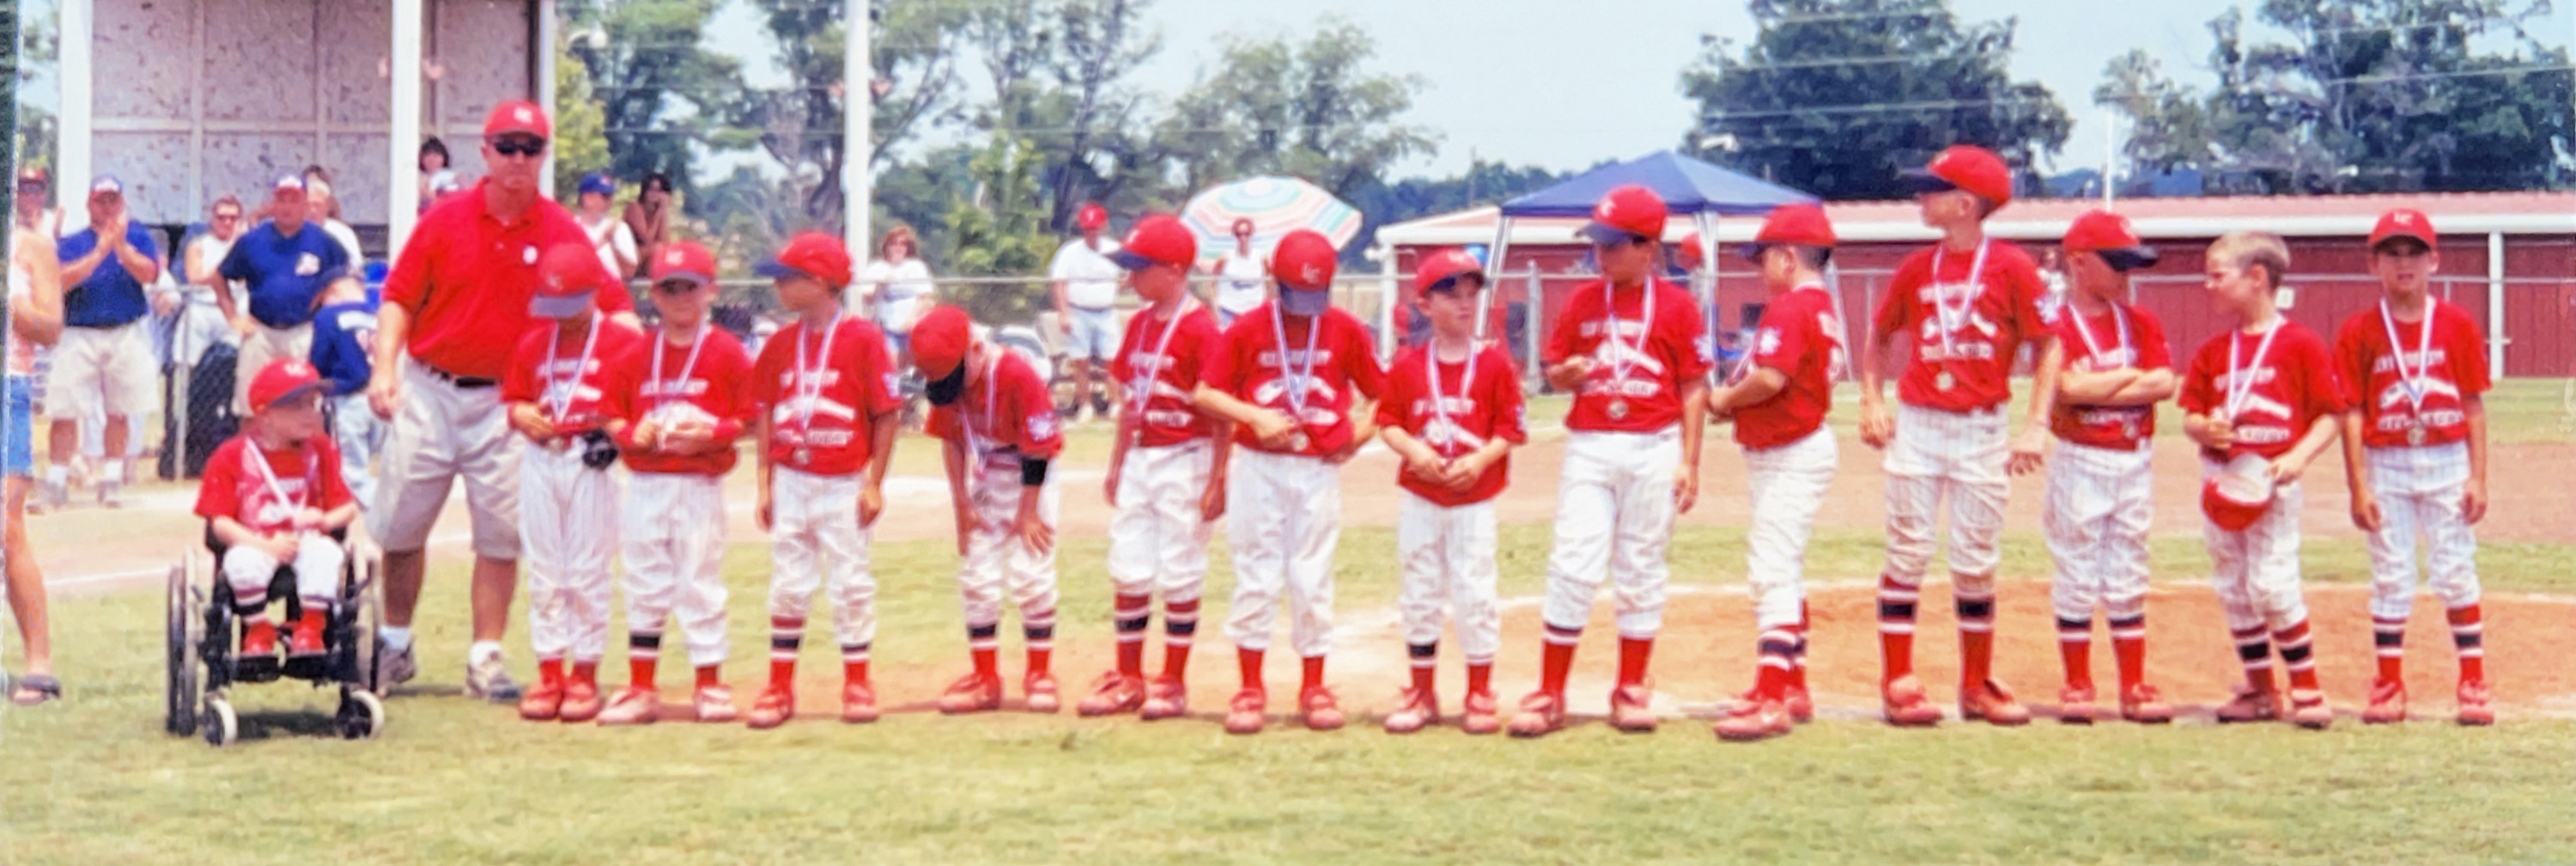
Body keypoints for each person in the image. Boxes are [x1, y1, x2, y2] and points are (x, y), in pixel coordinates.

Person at [367, 101, 638, 701]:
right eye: (507, 145)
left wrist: (623, 366)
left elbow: (616, 306)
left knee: (501, 536)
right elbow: (400, 297)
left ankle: (484, 658)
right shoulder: (445, 219)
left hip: (511, 402)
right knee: (403, 528)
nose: (518, 158)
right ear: (485, 151)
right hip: (432, 387)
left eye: (531, 148)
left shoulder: (561, 229)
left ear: (544, 157)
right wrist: (386, 367)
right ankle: (393, 644)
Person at [1858, 145, 2057, 728]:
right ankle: (1898, 679)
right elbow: (1880, 336)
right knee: (1909, 550)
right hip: (1919, 423)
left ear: (1965, 204)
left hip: (1982, 427)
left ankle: (1976, 683)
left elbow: (2049, 345)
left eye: (1933, 189)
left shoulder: (2014, 267)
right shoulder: (1916, 268)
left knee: (1975, 560)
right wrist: (1872, 399)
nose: (1921, 197)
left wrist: (2036, 425)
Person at [1510, 185, 1711, 739]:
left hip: (1653, 442)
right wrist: (1563, 376)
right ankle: (1551, 691)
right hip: (1592, 443)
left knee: (1641, 565)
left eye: (1615, 244)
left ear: (1648, 249)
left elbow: (1694, 385)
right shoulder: (1582, 301)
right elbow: (1554, 370)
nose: (1602, 255)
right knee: (1573, 560)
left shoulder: (1676, 305)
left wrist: (1690, 461)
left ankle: (1630, 688)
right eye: (1597, 244)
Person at [1193, 229, 1385, 735]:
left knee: (1311, 575)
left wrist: (1358, 437)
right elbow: (1207, 392)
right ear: (1275, 283)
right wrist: (1253, 417)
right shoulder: (1249, 327)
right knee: (1256, 573)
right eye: (1297, 295)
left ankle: (1314, 685)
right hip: (1260, 464)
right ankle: (1250, 687)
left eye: (1315, 296)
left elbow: (1384, 398)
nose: (1307, 307)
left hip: (1317, 468)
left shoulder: (1344, 329)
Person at [2333, 209, 2494, 726]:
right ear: (2374, 264)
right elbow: (2352, 412)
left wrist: (2479, 476)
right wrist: (2358, 486)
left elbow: (2472, 403)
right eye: (2392, 254)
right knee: (2392, 571)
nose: (2404, 265)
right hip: (2388, 460)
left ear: (2434, 261)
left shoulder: (2457, 323)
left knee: (2454, 567)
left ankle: (2472, 681)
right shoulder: (2359, 330)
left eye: (2414, 254)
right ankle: (2389, 683)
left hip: (2446, 456)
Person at [2178, 230, 2345, 729]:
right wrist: (2203, 428)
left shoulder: (2299, 344)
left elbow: (2331, 415)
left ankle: (2307, 686)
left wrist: (2299, 456)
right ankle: (2259, 690)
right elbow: (2190, 414)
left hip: (2273, 480)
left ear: (2256, 278)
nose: (2207, 285)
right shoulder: (2214, 351)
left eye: (2217, 274)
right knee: (2232, 584)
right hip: (2224, 479)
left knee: (2271, 585)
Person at [744, 233, 902, 729]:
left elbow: (887, 414)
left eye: (787, 278)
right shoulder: (780, 342)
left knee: (851, 580)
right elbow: (766, 413)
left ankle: (857, 681)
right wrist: (765, 482)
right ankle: (779, 685)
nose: (777, 286)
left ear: (818, 283)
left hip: (842, 480)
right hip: (793, 475)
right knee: (788, 582)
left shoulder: (864, 339)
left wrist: (874, 482)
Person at [594, 241, 754, 726]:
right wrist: (626, 433)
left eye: (691, 288)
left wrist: (712, 433)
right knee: (644, 580)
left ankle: (710, 683)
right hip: (646, 483)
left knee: (699, 580)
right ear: (654, 295)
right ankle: (641, 685)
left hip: (698, 485)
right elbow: (610, 411)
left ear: (711, 291)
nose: (681, 298)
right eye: (670, 289)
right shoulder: (636, 351)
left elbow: (749, 417)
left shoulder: (726, 352)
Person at [1078, 214, 1227, 720]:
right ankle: (1129, 677)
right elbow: (1129, 399)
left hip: (1186, 455)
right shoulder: (1139, 323)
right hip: (1142, 454)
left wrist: (1218, 479)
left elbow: (1222, 414)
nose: (1131, 277)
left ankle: (1173, 681)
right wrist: (1118, 464)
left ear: (1176, 270)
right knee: (1130, 563)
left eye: (1140, 268)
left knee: (1181, 569)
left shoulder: (1202, 328)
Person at [1704, 204, 1844, 742]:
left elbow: (1770, 378)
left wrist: (1724, 400)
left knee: (1771, 570)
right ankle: (1790, 685)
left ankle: (1770, 698)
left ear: (1789, 258)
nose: (1760, 270)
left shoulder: (1791, 308)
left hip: (1792, 449)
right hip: (1795, 445)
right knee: (1784, 567)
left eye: (1765, 258)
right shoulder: (1821, 306)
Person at [2034, 210, 2178, 725]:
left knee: (2127, 571)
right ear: (2078, 263)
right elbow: (2065, 389)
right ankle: (2077, 681)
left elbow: (2164, 384)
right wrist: (2130, 375)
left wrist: (2104, 385)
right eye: (2115, 263)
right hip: (2082, 459)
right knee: (2077, 570)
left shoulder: (2140, 320)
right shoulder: (2057, 325)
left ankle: (2134, 683)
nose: (2125, 275)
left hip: (2133, 457)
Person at [1374, 247, 1524, 735]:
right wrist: (1416, 453)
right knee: (1419, 589)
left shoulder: (1495, 364)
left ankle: (1480, 691)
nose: (1464, 304)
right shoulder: (1409, 365)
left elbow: (1509, 430)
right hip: (1422, 492)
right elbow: (1389, 422)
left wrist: (1479, 460)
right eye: (1451, 295)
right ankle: (1421, 691)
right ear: (1424, 306)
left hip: (1473, 497)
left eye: (1470, 295)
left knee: (1475, 588)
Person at [503, 245, 647, 723]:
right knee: (545, 569)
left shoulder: (622, 343)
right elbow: (517, 399)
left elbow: (635, 407)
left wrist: (612, 430)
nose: (563, 317)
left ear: (594, 294)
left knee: (586, 569)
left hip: (591, 460)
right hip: (542, 458)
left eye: (572, 305)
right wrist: (522, 414)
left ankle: (583, 670)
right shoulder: (534, 342)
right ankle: (549, 670)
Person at [914, 305, 1067, 715]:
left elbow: (1039, 448)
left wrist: (1028, 512)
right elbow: (952, 441)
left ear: (976, 350)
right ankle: (986, 678)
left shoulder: (1016, 373)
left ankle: (1039, 674)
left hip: (1031, 473)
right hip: (986, 476)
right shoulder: (951, 375)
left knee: (1032, 571)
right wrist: (961, 505)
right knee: (977, 576)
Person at [191, 360, 359, 677]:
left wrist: (322, 521)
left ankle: (310, 628)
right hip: (256, 541)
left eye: (313, 404)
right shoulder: (232, 455)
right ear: (264, 414)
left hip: (306, 541)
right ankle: (258, 631)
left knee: (326, 554)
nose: (311, 414)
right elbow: (220, 522)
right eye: (298, 407)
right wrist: (264, 546)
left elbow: (348, 508)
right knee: (240, 562)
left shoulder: (321, 449)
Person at [46, 174, 164, 510]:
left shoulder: (138, 236)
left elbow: (149, 273)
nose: (108, 206)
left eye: (114, 200)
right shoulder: (73, 242)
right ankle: (57, 475)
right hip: (80, 332)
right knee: (65, 408)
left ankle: (112, 476)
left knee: (120, 409)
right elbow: (62, 279)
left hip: (124, 330)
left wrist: (121, 245)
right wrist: (100, 251)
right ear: (90, 204)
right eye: (102, 200)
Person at [216, 175, 355, 416]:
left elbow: (342, 277)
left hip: (304, 333)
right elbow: (220, 276)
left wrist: (324, 307)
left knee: (305, 406)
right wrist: (232, 316)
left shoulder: (323, 241)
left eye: (294, 200)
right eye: (282, 200)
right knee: (251, 408)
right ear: (273, 203)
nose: (287, 206)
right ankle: (250, 453)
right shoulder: (252, 240)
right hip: (260, 332)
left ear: (304, 203)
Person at [6, 218, 66, 704]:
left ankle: (39, 664)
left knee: (7, 526)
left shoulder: (29, 246)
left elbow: (50, 328)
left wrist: (11, 304)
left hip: (9, 388)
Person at [309, 274, 382, 512]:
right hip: (377, 395)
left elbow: (318, 358)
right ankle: (386, 509)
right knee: (379, 461)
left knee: (351, 468)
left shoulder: (328, 316)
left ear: (334, 292)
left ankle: (380, 514)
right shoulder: (375, 315)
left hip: (347, 399)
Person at [1049, 202, 1124, 423]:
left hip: (1106, 311)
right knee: (1079, 360)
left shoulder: (1114, 249)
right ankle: (1085, 404)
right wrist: (1063, 313)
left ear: (1103, 227)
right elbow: (1059, 284)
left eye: (1095, 228)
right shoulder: (1070, 252)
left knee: (1112, 360)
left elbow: (1131, 274)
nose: (1092, 233)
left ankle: (1116, 402)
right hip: (1079, 312)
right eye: (1088, 228)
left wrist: (1116, 288)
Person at [860, 224, 935, 359]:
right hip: (886, 324)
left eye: (903, 244)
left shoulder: (916, 267)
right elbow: (868, 298)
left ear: (908, 248)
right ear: (887, 246)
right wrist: (879, 284)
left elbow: (926, 298)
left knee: (915, 362)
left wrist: (912, 319)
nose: (898, 247)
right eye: (894, 244)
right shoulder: (877, 267)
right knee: (891, 363)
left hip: (912, 325)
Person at [574, 173, 639, 281]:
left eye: (610, 196)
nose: (610, 200)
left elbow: (629, 271)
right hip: (578, 291)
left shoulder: (619, 227)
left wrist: (612, 243)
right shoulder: (571, 226)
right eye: (605, 196)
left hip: (609, 291)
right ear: (587, 197)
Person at [1208, 217, 1267, 326]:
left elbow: (1270, 282)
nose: (1243, 238)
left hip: (1253, 312)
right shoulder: (1226, 257)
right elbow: (1212, 284)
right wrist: (1215, 309)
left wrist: (1266, 304)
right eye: (1239, 234)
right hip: (1228, 312)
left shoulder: (1260, 257)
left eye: (1246, 233)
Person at [304, 175, 367, 269]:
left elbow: (356, 268)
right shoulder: (289, 232)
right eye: (307, 205)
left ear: (327, 205)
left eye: (317, 205)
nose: (313, 210)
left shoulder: (343, 233)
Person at [621, 173, 675, 277]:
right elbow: (647, 239)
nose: (654, 194)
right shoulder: (634, 208)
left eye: (659, 190)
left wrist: (663, 211)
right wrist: (660, 210)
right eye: (651, 189)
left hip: (647, 261)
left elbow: (663, 241)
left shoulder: (658, 212)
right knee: (657, 248)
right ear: (645, 191)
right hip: (631, 259)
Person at [417, 137, 452, 210]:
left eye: (436, 155)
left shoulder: (449, 177)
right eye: (428, 155)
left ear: (443, 158)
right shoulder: (417, 177)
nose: (431, 159)